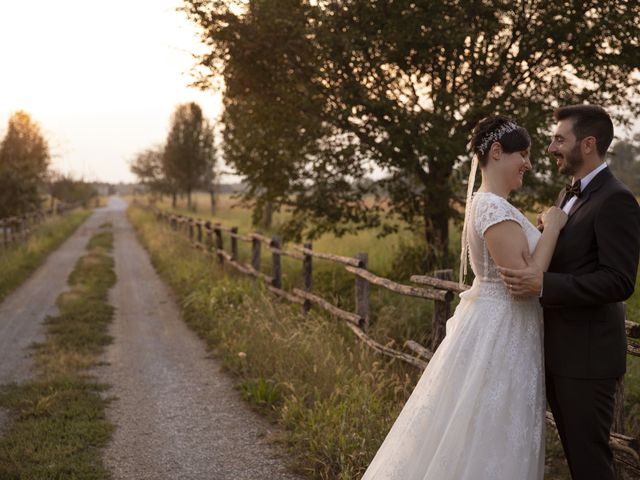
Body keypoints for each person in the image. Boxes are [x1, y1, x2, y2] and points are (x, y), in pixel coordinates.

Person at [361, 116, 568, 480]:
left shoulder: (491, 205)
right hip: (501, 333)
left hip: (504, 327)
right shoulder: (492, 207)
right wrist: (553, 227)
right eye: (523, 153)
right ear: (496, 152)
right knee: (490, 429)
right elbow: (524, 279)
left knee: (486, 427)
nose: (530, 164)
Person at [499, 105, 640, 480]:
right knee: (579, 463)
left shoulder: (617, 200)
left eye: (560, 139)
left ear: (588, 144)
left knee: (591, 465)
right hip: (561, 354)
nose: (550, 148)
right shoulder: (568, 194)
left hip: (588, 360)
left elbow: (619, 280)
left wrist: (545, 284)